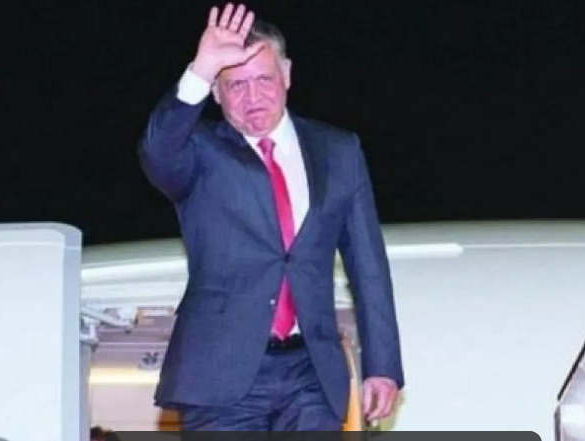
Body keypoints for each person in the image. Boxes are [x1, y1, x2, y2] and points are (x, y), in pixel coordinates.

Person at [138, 3, 404, 431]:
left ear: (287, 74)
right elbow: (156, 151)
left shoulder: (338, 152)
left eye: (264, 79)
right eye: (236, 85)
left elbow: (368, 264)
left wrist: (382, 365)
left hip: (311, 374)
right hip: (220, 377)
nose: (253, 97)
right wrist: (201, 69)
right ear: (216, 92)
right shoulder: (199, 153)